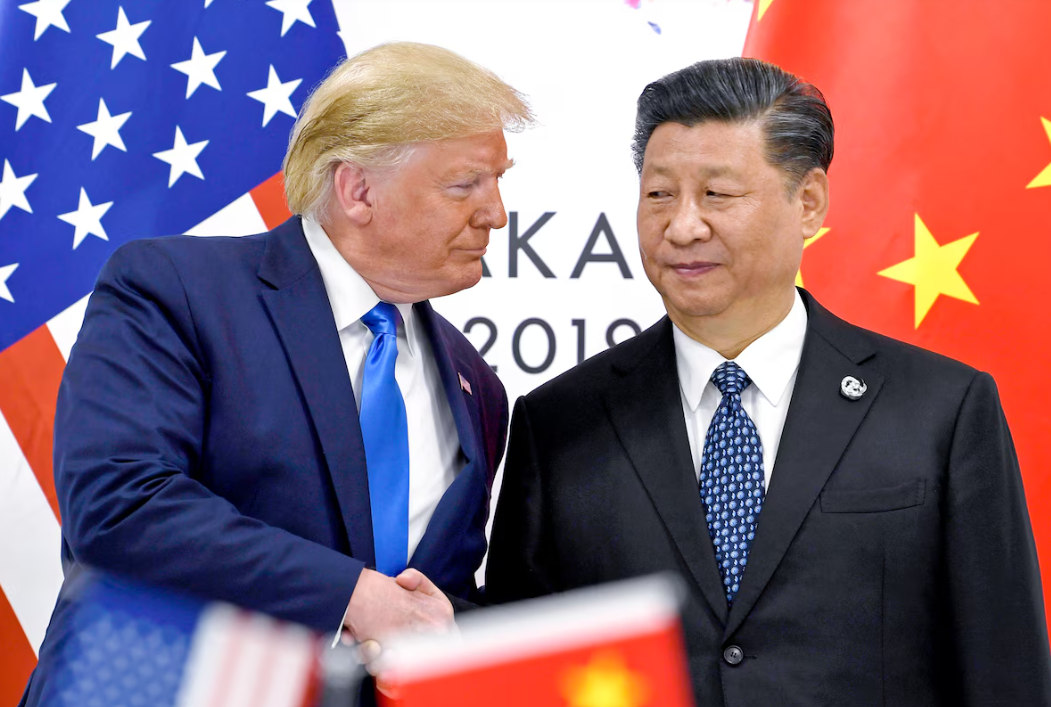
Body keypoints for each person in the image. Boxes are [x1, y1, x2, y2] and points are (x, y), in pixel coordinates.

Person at [486, 57, 1051, 705]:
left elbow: (1003, 670)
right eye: (659, 194)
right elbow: (517, 668)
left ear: (807, 203)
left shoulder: (940, 409)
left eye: (717, 195)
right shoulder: (560, 422)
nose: (682, 226)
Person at [22, 42, 532, 705]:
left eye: (498, 182)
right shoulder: (175, 290)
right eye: (465, 184)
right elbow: (120, 503)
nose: (495, 213)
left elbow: (431, 602)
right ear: (358, 190)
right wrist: (353, 597)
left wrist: (452, 630)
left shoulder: (477, 387)